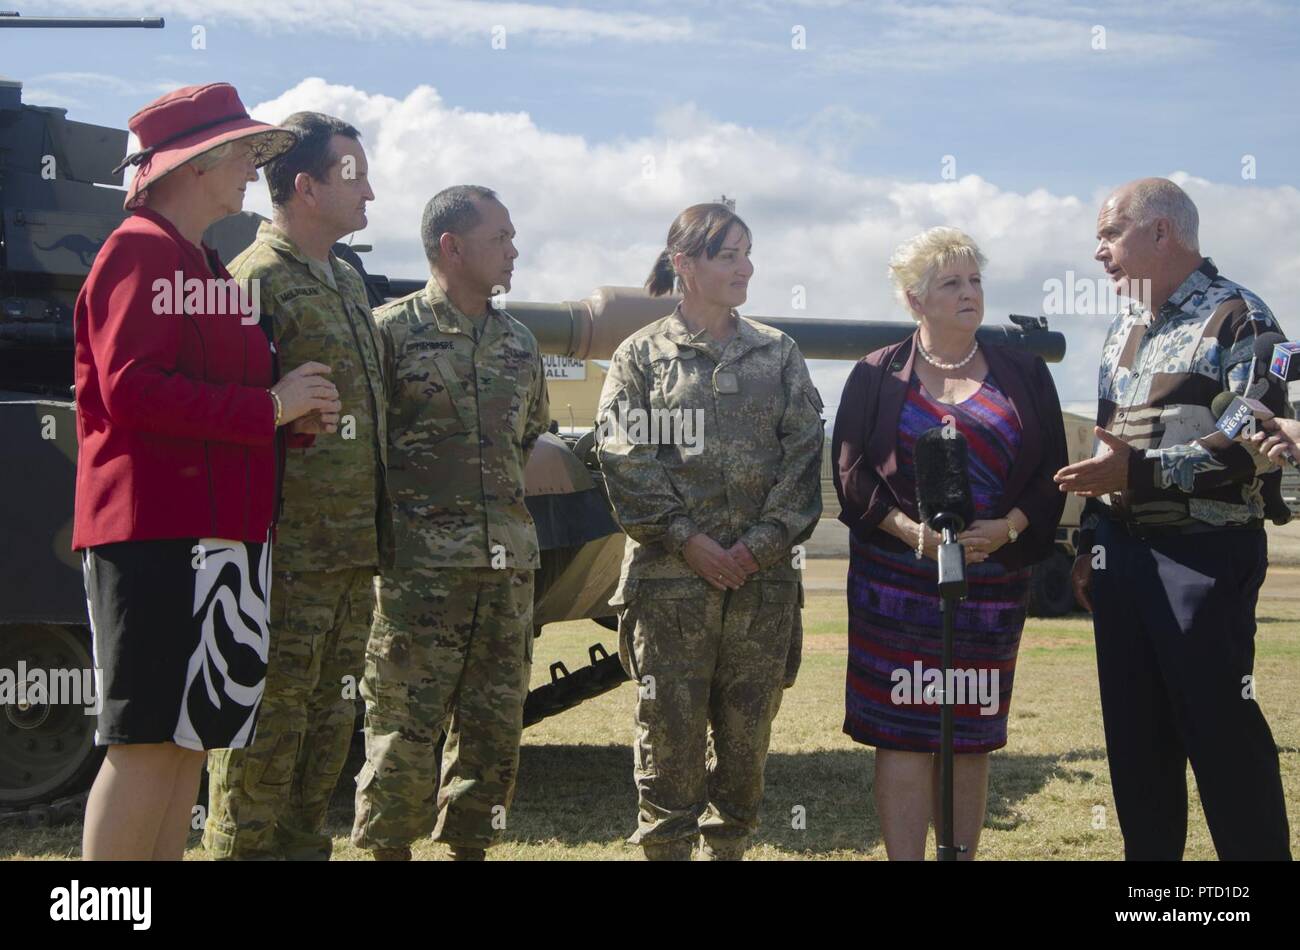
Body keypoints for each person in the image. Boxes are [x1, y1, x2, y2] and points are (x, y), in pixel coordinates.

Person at [74, 83, 339, 860]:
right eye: (243, 154)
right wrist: (268, 409)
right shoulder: (138, 250)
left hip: (219, 535)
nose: (253, 170)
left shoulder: (200, 263)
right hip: (156, 530)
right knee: (146, 742)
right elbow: (129, 389)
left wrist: (288, 422)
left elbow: (215, 401)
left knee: (188, 741)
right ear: (196, 164)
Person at [1057, 177, 1292, 860]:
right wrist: (1088, 544)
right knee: (1137, 748)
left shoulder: (1241, 317)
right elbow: (1108, 449)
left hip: (1204, 559)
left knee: (1221, 739)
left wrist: (1139, 474)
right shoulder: (1122, 330)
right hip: (1121, 562)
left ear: (1161, 232)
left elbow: (1253, 445)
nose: (1098, 251)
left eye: (1110, 233)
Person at [595, 203, 824, 861]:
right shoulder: (639, 357)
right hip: (670, 591)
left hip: (761, 589)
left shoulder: (777, 355)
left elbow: (804, 457)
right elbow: (622, 456)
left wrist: (758, 546)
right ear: (684, 264)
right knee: (667, 747)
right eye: (729, 254)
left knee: (746, 751)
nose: (745, 267)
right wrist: (687, 538)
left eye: (748, 253)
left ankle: (729, 853)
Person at [831, 227, 1067, 860]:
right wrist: (910, 533)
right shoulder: (876, 374)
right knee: (904, 734)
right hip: (896, 585)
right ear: (915, 300)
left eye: (975, 280)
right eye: (951, 283)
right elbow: (851, 477)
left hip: (991, 583)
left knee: (969, 732)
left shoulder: (1023, 372)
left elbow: (1052, 474)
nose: (970, 293)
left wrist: (1008, 526)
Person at [205, 112, 391, 860]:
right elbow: (221, 415)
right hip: (281, 557)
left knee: (323, 742)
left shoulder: (345, 278)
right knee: (262, 740)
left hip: (348, 553)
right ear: (307, 186)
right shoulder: (252, 280)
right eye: (354, 175)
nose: (370, 191)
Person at [350, 186, 549, 861]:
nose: (514, 250)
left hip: (506, 576)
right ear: (452, 247)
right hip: (420, 578)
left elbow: (525, 439)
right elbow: (362, 449)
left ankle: (470, 851)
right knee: (403, 730)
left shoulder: (520, 343)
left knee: (493, 738)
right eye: (501, 237)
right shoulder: (388, 333)